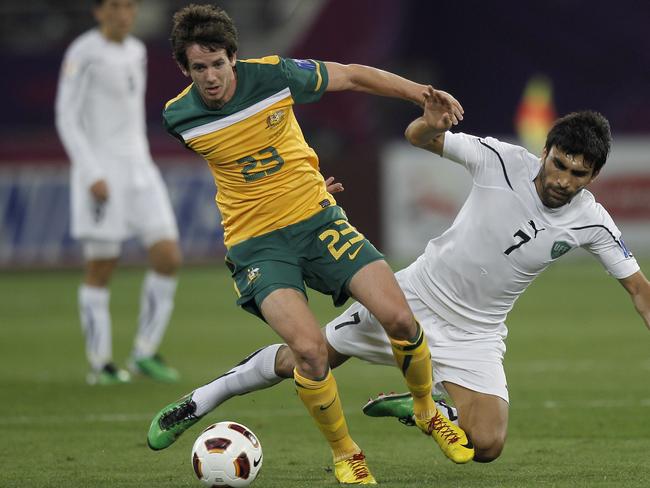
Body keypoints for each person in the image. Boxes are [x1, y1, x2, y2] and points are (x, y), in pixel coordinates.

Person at [149, 86, 650, 468]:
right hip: (412, 300)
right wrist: (428, 124)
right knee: (308, 356)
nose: (563, 181)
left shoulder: (593, 222)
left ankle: (421, 408)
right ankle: (201, 400)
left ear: (594, 177)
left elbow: (639, 290)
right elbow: (422, 139)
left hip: (477, 334)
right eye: (560, 165)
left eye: (578, 175)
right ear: (546, 151)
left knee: (489, 445)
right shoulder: (500, 159)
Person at [145, 4, 470, 484]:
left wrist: (420, 94)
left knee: (400, 318)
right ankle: (346, 453)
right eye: (199, 67)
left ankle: (426, 411)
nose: (211, 77)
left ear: (234, 58)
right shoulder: (180, 117)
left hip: (317, 224)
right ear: (184, 69)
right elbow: (240, 168)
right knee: (311, 351)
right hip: (258, 246)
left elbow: (354, 75)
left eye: (218, 63)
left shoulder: (274, 75)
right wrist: (292, 182)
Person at [55, 0, 182, 385]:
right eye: (114, 6)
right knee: (102, 266)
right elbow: (66, 115)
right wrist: (90, 170)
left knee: (168, 256)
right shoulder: (83, 52)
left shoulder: (137, 50)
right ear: (98, 12)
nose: (123, 13)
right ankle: (101, 364)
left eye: (129, 6)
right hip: (101, 172)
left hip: (140, 169)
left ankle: (144, 352)